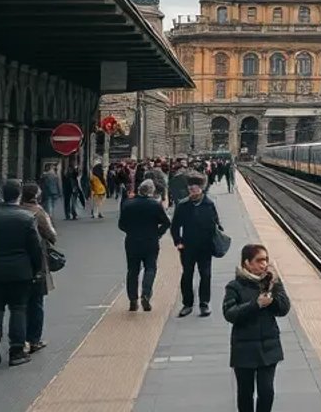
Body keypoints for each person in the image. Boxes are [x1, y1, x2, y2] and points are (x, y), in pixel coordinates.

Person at [0, 180, 44, 367]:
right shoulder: (27, 218)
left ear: (2, 195)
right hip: (21, 271)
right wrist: (37, 270)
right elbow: (35, 248)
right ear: (19, 195)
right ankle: (16, 350)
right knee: (18, 308)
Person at [224, 244, 290, 412]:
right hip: (244, 349)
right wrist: (256, 305)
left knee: (267, 391)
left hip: (269, 347)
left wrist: (273, 297)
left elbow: (284, 308)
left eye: (266, 260)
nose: (264, 264)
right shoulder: (234, 286)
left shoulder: (272, 282)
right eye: (259, 260)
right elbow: (230, 314)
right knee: (245, 393)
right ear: (247, 263)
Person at [171, 175, 222, 317]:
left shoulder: (209, 204)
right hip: (187, 246)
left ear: (201, 189)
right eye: (190, 190)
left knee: (205, 275)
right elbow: (175, 226)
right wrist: (178, 241)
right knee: (187, 275)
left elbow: (216, 223)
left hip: (205, 247)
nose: (192, 192)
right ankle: (187, 304)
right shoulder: (183, 205)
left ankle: (204, 303)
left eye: (194, 190)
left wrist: (215, 236)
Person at [17, 183, 58, 353]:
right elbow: (51, 235)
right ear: (35, 195)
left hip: (15, 261)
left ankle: (19, 339)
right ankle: (33, 339)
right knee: (36, 302)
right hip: (35, 261)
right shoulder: (38, 212)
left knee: (19, 304)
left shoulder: (15, 211)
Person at [118, 181, 171, 312]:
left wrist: (130, 231)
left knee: (132, 270)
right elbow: (166, 222)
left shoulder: (127, 204)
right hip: (150, 240)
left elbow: (121, 224)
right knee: (150, 268)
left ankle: (132, 299)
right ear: (151, 191)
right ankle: (146, 294)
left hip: (132, 241)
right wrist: (158, 233)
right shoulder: (155, 205)